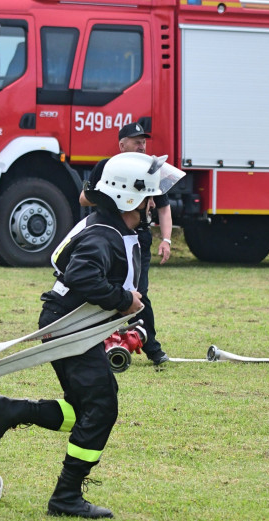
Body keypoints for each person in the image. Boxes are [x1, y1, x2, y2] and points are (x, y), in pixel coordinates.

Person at [0, 152, 185, 519]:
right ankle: (66, 497)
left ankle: (9, 411)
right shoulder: (103, 236)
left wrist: (126, 316)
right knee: (102, 408)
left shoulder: (115, 228)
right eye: (148, 198)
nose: (153, 205)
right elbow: (81, 277)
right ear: (127, 198)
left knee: (88, 410)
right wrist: (123, 300)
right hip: (70, 328)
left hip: (76, 326)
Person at [80, 122, 175, 366]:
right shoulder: (106, 167)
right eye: (136, 141)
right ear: (122, 145)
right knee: (104, 290)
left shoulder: (149, 169)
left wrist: (166, 239)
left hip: (138, 239)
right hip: (110, 236)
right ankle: (96, 344)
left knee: (139, 293)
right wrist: (113, 196)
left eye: (143, 141)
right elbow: (83, 199)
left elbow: (163, 206)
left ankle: (152, 348)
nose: (141, 145)